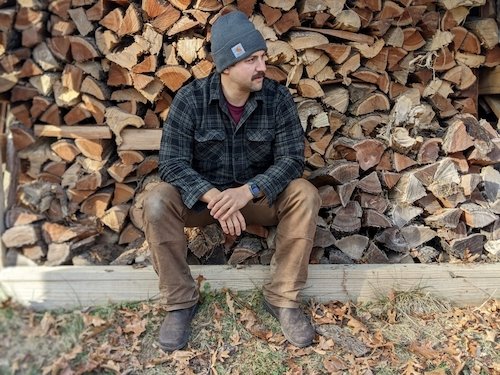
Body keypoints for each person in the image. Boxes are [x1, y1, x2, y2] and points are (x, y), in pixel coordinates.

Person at [142, 9, 321, 352]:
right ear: (226, 66)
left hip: (257, 202)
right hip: (202, 205)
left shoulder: (277, 99)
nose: (261, 66)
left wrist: (247, 192)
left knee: (305, 193)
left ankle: (282, 298)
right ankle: (180, 302)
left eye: (263, 57)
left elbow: (291, 160)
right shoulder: (190, 100)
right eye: (251, 59)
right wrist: (214, 197)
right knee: (156, 200)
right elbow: (172, 164)